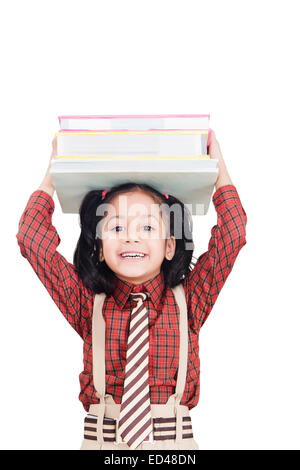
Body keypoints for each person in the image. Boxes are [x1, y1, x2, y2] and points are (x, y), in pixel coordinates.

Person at [16, 130, 247, 450]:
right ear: (98, 248)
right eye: (117, 227)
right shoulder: (87, 304)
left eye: (147, 227)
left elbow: (232, 235)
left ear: (169, 246)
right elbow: (32, 239)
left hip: (174, 446)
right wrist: (53, 173)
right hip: (103, 444)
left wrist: (217, 166)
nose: (131, 237)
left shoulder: (189, 301)